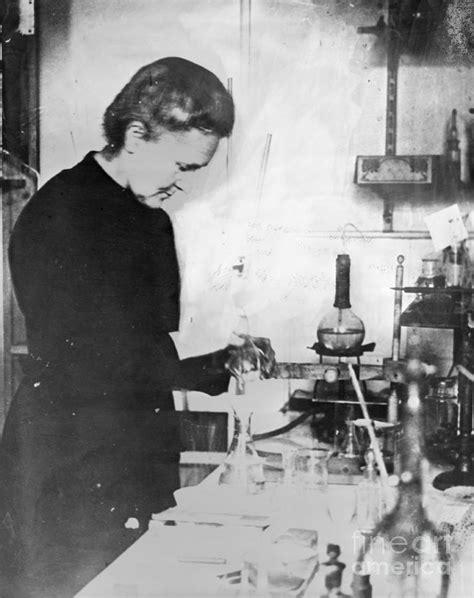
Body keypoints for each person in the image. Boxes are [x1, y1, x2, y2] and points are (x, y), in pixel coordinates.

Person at [0, 57, 273, 598]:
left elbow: (145, 343)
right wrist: (214, 366)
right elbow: (93, 360)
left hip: (135, 452)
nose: (182, 185)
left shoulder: (151, 220)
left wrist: (221, 358)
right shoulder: (62, 214)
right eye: (181, 167)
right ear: (134, 134)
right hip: (69, 461)